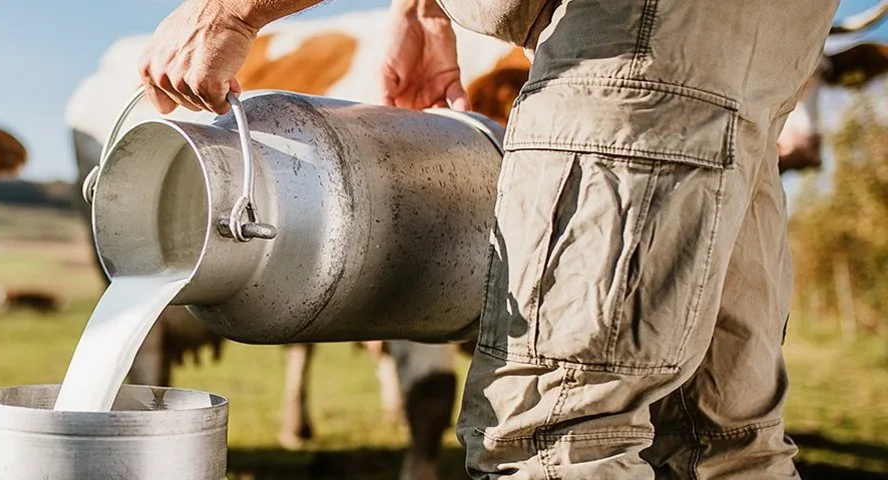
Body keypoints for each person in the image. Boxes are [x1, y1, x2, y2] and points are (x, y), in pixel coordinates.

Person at [137, 0, 836, 477]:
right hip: (749, 43)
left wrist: (229, 10)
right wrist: (423, 8)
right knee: (716, 440)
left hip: (630, 36)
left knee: (556, 433)